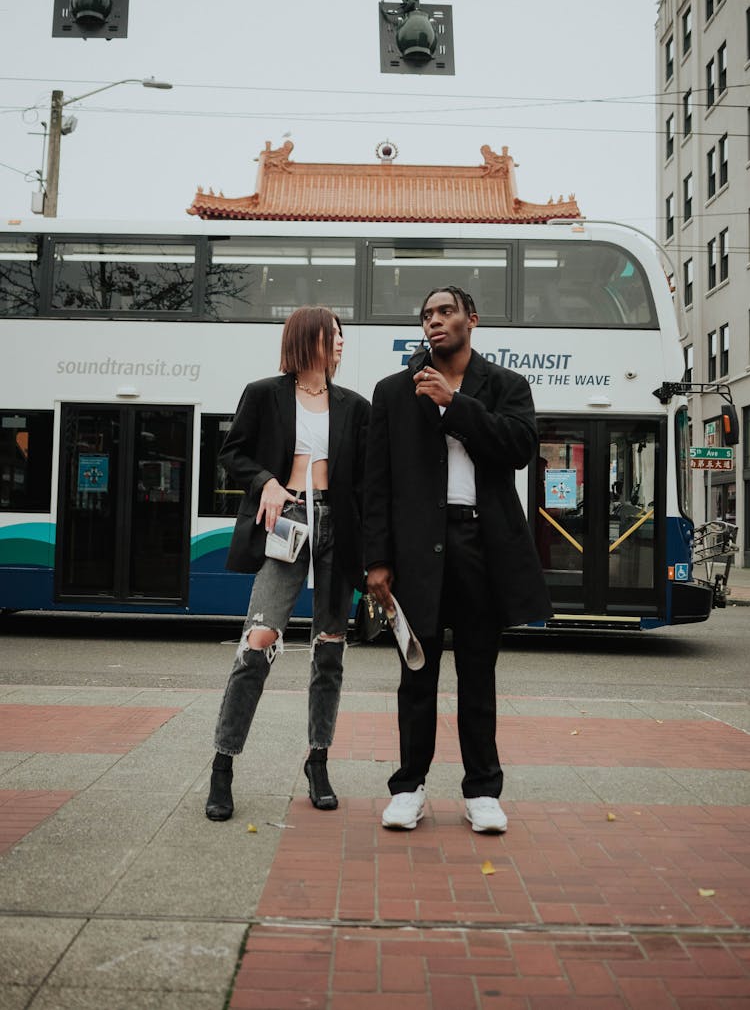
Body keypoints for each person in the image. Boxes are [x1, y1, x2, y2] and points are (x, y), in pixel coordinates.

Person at [364, 286, 552, 833]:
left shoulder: (506, 386)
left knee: (478, 675)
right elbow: (377, 485)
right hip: (416, 551)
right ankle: (408, 789)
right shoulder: (394, 392)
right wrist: (377, 559)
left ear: (472, 318)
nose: (434, 322)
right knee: (415, 675)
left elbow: (518, 449)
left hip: (481, 547)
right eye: (426, 315)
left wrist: (454, 402)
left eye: (445, 312)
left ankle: (482, 792)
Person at [206, 307, 370, 821]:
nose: (341, 342)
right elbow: (232, 454)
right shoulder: (264, 394)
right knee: (258, 643)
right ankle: (223, 765)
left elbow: (369, 480)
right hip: (286, 521)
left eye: (343, 336)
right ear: (308, 339)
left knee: (330, 650)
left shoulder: (354, 406)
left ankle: (317, 761)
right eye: (333, 334)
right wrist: (268, 482)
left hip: (338, 527)